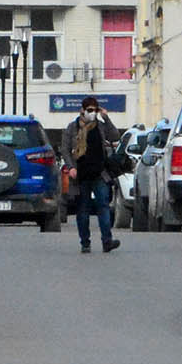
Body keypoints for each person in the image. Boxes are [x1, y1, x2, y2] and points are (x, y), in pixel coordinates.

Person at [64, 101, 122, 253]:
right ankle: (85, 242)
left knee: (103, 206)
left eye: (95, 110)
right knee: (83, 209)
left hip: (99, 174)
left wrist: (106, 118)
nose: (93, 113)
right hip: (80, 175)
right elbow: (64, 149)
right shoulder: (73, 127)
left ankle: (107, 241)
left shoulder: (100, 126)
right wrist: (71, 167)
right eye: (90, 110)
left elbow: (115, 136)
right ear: (82, 110)